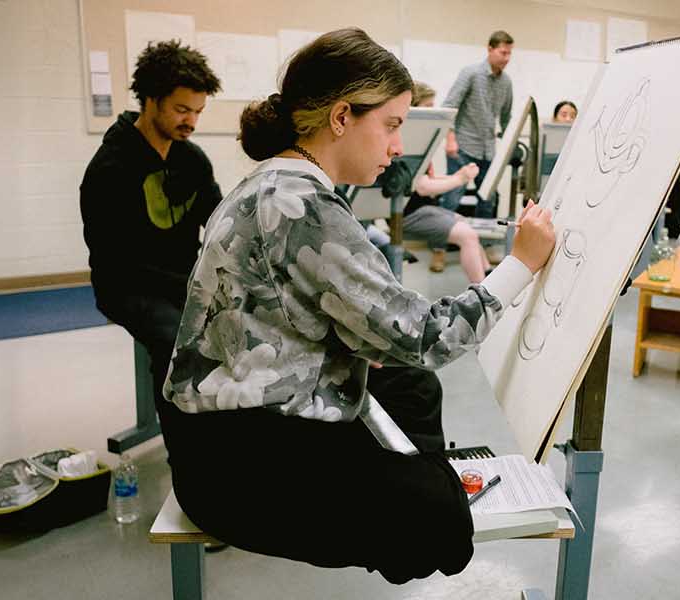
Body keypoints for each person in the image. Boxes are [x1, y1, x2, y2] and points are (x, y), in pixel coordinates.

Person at [158, 28, 556, 584]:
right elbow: (428, 337)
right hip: (232, 460)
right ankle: (415, 485)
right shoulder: (301, 205)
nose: (398, 147)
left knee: (414, 389)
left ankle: (407, 477)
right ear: (342, 117)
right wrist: (520, 264)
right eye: (392, 125)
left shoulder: (278, 180)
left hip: (235, 416)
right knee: (441, 520)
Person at [79, 40, 222, 407]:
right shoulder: (110, 169)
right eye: (181, 110)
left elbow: (220, 220)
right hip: (127, 288)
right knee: (179, 346)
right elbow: (119, 264)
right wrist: (193, 290)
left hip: (182, 282)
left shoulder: (192, 160)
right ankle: (186, 454)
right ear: (151, 100)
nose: (190, 121)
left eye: (197, 111)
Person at [398, 82, 487, 281]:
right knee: (468, 236)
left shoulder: (419, 140)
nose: (433, 112)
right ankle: (484, 293)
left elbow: (427, 180)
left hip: (424, 209)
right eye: (428, 107)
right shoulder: (406, 140)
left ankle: (488, 277)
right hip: (408, 213)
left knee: (469, 227)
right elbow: (422, 187)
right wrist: (459, 178)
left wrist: (459, 175)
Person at [442, 30, 516, 222]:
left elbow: (507, 117)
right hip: (463, 147)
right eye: (503, 52)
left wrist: (510, 146)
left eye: (509, 53)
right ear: (490, 49)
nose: (507, 58)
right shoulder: (471, 73)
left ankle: (482, 243)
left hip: (488, 150)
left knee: (488, 197)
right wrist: (450, 140)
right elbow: (450, 106)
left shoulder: (506, 82)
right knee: (453, 196)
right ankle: (440, 245)